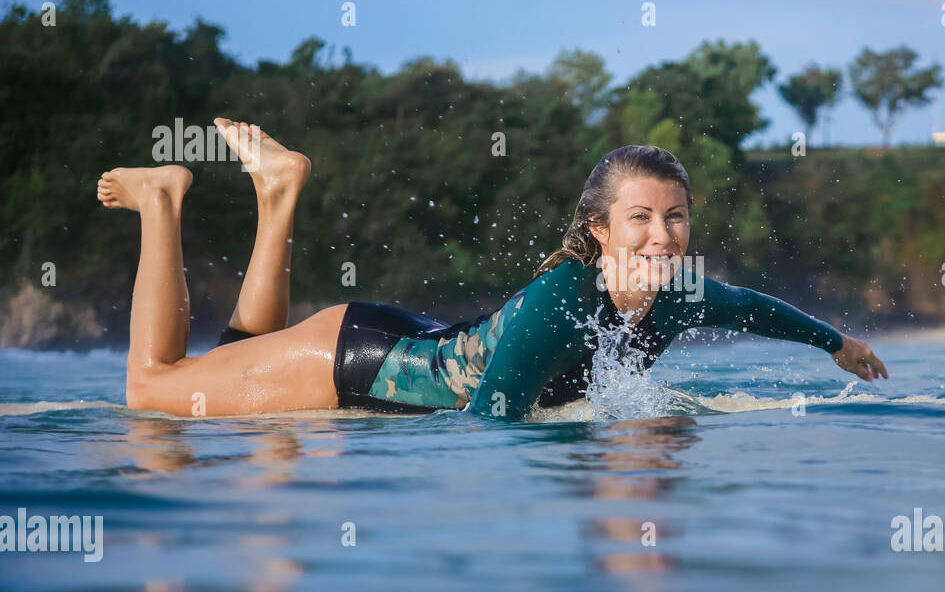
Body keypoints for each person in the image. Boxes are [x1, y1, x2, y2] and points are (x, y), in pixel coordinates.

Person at [98, 121, 887, 420]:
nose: (661, 236)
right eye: (640, 219)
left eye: (675, 217)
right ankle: (163, 199)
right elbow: (489, 430)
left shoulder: (675, 295)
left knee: (240, 350)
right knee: (154, 387)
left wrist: (835, 344)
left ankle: (278, 189)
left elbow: (748, 306)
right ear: (599, 229)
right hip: (359, 365)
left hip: (412, 338)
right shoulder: (561, 301)